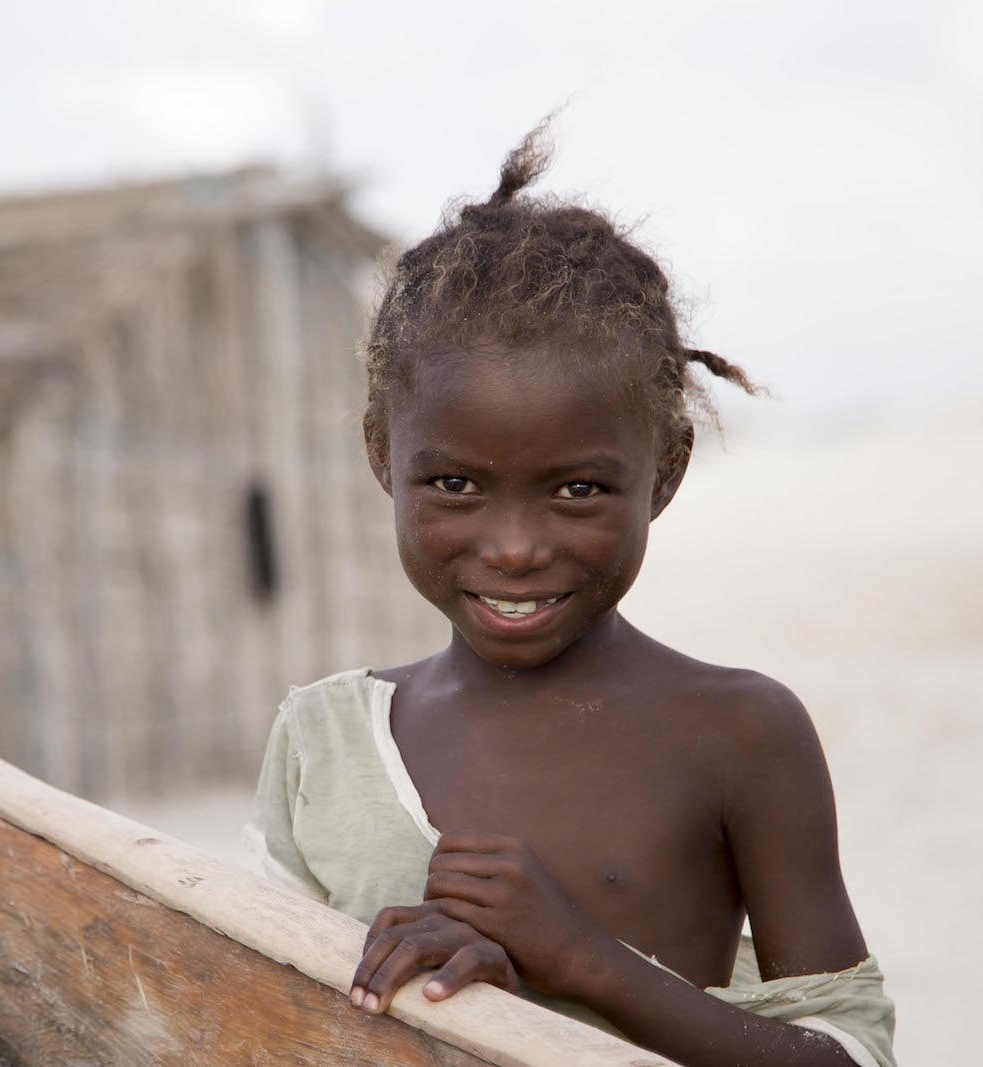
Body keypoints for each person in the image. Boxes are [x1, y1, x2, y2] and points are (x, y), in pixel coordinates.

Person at [245, 122, 896, 1066]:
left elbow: (851, 1053)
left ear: (665, 473)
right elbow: (247, 1008)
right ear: (383, 455)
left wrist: (582, 961)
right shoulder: (323, 741)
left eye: (577, 489)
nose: (513, 549)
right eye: (456, 485)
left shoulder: (740, 732)